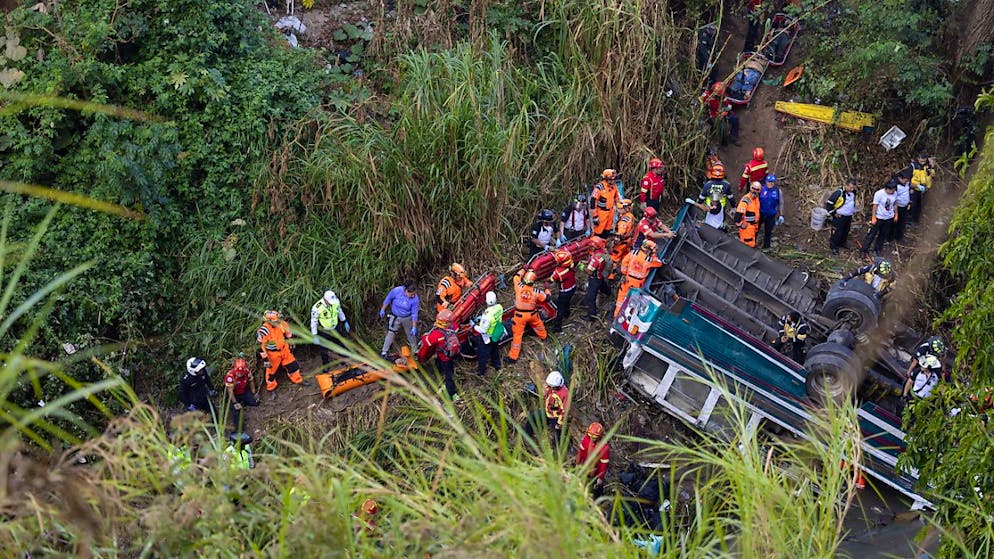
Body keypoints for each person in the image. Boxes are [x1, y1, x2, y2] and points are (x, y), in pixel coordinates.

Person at [257, 310, 307, 396]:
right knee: (271, 372)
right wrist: (265, 359)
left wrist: (291, 341)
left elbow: (288, 334)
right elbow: (260, 346)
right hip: (272, 354)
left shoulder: (282, 323)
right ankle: (271, 388)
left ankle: (298, 379)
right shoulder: (264, 330)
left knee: (292, 365)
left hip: (284, 349)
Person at [417, 309, 461, 401]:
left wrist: (424, 336)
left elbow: (427, 342)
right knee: (444, 366)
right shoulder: (453, 327)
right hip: (451, 354)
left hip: (444, 357)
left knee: (449, 376)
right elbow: (457, 328)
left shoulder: (437, 334)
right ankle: (439, 371)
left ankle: (452, 394)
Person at [508, 269, 550, 361]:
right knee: (538, 325)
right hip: (532, 314)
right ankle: (544, 336)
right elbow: (547, 299)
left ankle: (513, 357)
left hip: (519, 316)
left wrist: (523, 269)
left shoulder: (518, 286)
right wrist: (547, 289)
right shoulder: (536, 291)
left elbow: (516, 276)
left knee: (517, 335)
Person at [614, 240, 663, 317]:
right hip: (637, 283)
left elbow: (624, 262)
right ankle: (626, 317)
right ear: (648, 249)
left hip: (627, 279)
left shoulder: (633, 253)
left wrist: (624, 273)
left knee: (621, 298)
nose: (654, 251)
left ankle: (616, 316)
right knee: (632, 301)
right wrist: (653, 256)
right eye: (653, 249)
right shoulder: (649, 260)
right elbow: (659, 263)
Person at [310, 290, 351, 368]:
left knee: (340, 344)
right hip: (324, 331)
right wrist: (314, 335)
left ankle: (343, 360)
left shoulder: (336, 301)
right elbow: (313, 322)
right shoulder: (317, 307)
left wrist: (344, 321)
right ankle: (326, 365)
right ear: (325, 300)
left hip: (335, 328)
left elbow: (339, 311)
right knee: (324, 349)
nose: (331, 303)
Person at [379, 281, 420, 357]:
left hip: (407, 317)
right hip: (395, 316)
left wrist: (414, 326)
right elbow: (388, 299)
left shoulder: (415, 299)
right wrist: (383, 309)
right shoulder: (397, 291)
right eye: (411, 294)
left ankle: (415, 350)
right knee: (391, 333)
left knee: (410, 334)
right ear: (406, 291)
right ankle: (384, 351)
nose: (413, 295)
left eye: (414, 294)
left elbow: (414, 313)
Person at [860, 181, 898, 258]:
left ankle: (877, 249)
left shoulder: (895, 193)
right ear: (887, 189)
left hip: (889, 217)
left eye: (893, 190)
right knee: (871, 234)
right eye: (891, 190)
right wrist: (873, 217)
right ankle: (864, 250)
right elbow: (875, 206)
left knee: (883, 235)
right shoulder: (879, 194)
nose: (892, 192)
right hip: (879, 217)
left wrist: (896, 214)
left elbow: (895, 203)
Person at [471, 291, 504, 376]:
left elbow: (482, 330)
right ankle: (497, 365)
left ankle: (481, 371)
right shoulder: (499, 307)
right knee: (495, 350)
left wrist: (474, 326)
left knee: (483, 354)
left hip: (487, 337)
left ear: (486, 301)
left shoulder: (487, 315)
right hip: (496, 333)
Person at [224, 355, 259, 430]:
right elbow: (230, 391)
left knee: (255, 402)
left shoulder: (247, 371)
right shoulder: (230, 376)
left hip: (243, 392)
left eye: (241, 373)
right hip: (234, 394)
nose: (240, 374)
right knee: (236, 411)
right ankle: (239, 429)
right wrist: (234, 403)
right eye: (238, 373)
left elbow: (251, 381)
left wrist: (254, 393)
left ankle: (243, 403)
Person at [576, 422, 610, 497]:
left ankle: (597, 498)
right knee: (584, 482)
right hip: (586, 467)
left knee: (596, 487)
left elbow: (604, 464)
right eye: (590, 435)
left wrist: (600, 478)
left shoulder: (604, 447)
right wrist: (577, 463)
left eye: (594, 437)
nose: (591, 438)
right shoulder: (586, 439)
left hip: (596, 472)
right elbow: (580, 452)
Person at [582, 236, 612, 321]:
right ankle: (609, 293)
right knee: (603, 285)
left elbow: (589, 271)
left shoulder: (595, 258)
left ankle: (591, 315)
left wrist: (582, 267)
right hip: (601, 275)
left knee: (590, 297)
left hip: (595, 278)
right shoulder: (602, 252)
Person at [826, 177, 857, 254]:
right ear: (846, 185)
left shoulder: (853, 193)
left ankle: (842, 243)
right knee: (837, 232)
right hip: (839, 216)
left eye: (853, 188)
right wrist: (833, 213)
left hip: (848, 216)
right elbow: (829, 203)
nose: (852, 189)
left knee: (846, 230)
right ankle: (833, 246)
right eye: (850, 187)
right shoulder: (839, 193)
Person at [550, 249, 577, 333]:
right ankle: (567, 313)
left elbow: (552, 279)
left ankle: (557, 327)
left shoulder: (558, 272)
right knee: (567, 302)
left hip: (564, 291)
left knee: (560, 308)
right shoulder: (571, 264)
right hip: (573, 287)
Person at [608, 199, 636, 279]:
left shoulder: (623, 222)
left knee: (614, 258)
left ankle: (612, 275)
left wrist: (613, 244)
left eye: (620, 209)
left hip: (622, 242)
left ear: (627, 208)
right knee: (625, 256)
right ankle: (626, 271)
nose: (618, 210)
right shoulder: (630, 216)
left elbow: (619, 235)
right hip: (628, 240)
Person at [590, 169, 622, 237]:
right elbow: (593, 203)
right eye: (612, 179)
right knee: (598, 233)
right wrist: (595, 216)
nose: (613, 181)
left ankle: (603, 246)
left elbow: (617, 198)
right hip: (601, 213)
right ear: (607, 179)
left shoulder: (614, 187)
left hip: (610, 212)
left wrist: (619, 209)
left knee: (607, 232)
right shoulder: (599, 187)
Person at [758, 174, 784, 250]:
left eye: (772, 182)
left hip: (771, 215)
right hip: (761, 214)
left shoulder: (777, 191)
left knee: (768, 232)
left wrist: (781, 215)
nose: (770, 184)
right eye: (769, 182)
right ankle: (752, 243)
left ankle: (766, 247)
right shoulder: (761, 189)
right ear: (766, 182)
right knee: (756, 229)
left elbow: (781, 203)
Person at [543, 370, 569, 448]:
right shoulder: (551, 388)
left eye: (553, 387)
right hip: (548, 412)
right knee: (533, 417)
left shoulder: (564, 394)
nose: (551, 388)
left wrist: (559, 423)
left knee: (557, 435)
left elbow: (565, 411)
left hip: (555, 417)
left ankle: (557, 450)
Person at [909, 152, 936, 225]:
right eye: (921, 161)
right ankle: (910, 220)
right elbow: (908, 178)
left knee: (919, 206)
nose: (922, 163)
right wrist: (912, 187)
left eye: (924, 161)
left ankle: (916, 220)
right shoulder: (913, 166)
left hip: (924, 189)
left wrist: (932, 167)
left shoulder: (928, 166)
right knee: (913, 205)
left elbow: (933, 175)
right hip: (915, 188)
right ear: (918, 159)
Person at [734, 181, 762, 247]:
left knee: (751, 245)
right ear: (750, 188)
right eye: (753, 188)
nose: (754, 190)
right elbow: (738, 215)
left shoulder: (756, 199)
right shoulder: (746, 200)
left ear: (759, 191)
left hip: (753, 228)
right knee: (746, 247)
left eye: (757, 189)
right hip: (747, 228)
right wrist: (740, 225)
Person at [889, 169, 912, 243]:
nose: (906, 181)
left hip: (904, 206)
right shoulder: (895, 186)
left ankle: (899, 237)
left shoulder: (907, 183)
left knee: (902, 222)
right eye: (905, 180)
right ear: (900, 178)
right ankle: (890, 237)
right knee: (894, 222)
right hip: (897, 207)